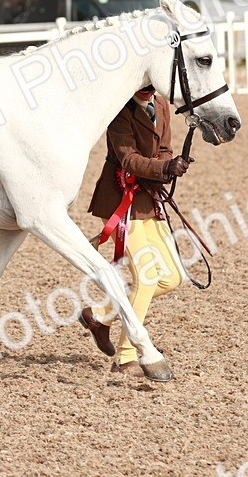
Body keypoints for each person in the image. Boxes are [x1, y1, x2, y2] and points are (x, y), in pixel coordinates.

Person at [79, 85, 191, 377]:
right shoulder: (119, 109)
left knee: (173, 277)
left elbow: (163, 148)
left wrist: (170, 165)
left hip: (147, 197)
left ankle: (102, 318)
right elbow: (127, 159)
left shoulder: (162, 105)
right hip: (121, 199)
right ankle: (126, 358)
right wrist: (163, 167)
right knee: (147, 277)